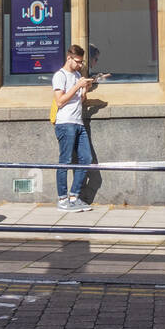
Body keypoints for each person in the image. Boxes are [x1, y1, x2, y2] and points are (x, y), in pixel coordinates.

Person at [51, 45, 95, 211]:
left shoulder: (77, 75)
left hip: (78, 122)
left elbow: (79, 100)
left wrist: (84, 90)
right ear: (69, 58)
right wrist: (77, 86)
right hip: (65, 123)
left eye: (82, 63)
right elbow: (60, 101)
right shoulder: (59, 76)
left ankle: (74, 196)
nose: (80, 65)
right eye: (78, 62)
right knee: (65, 161)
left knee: (86, 159)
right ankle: (62, 200)